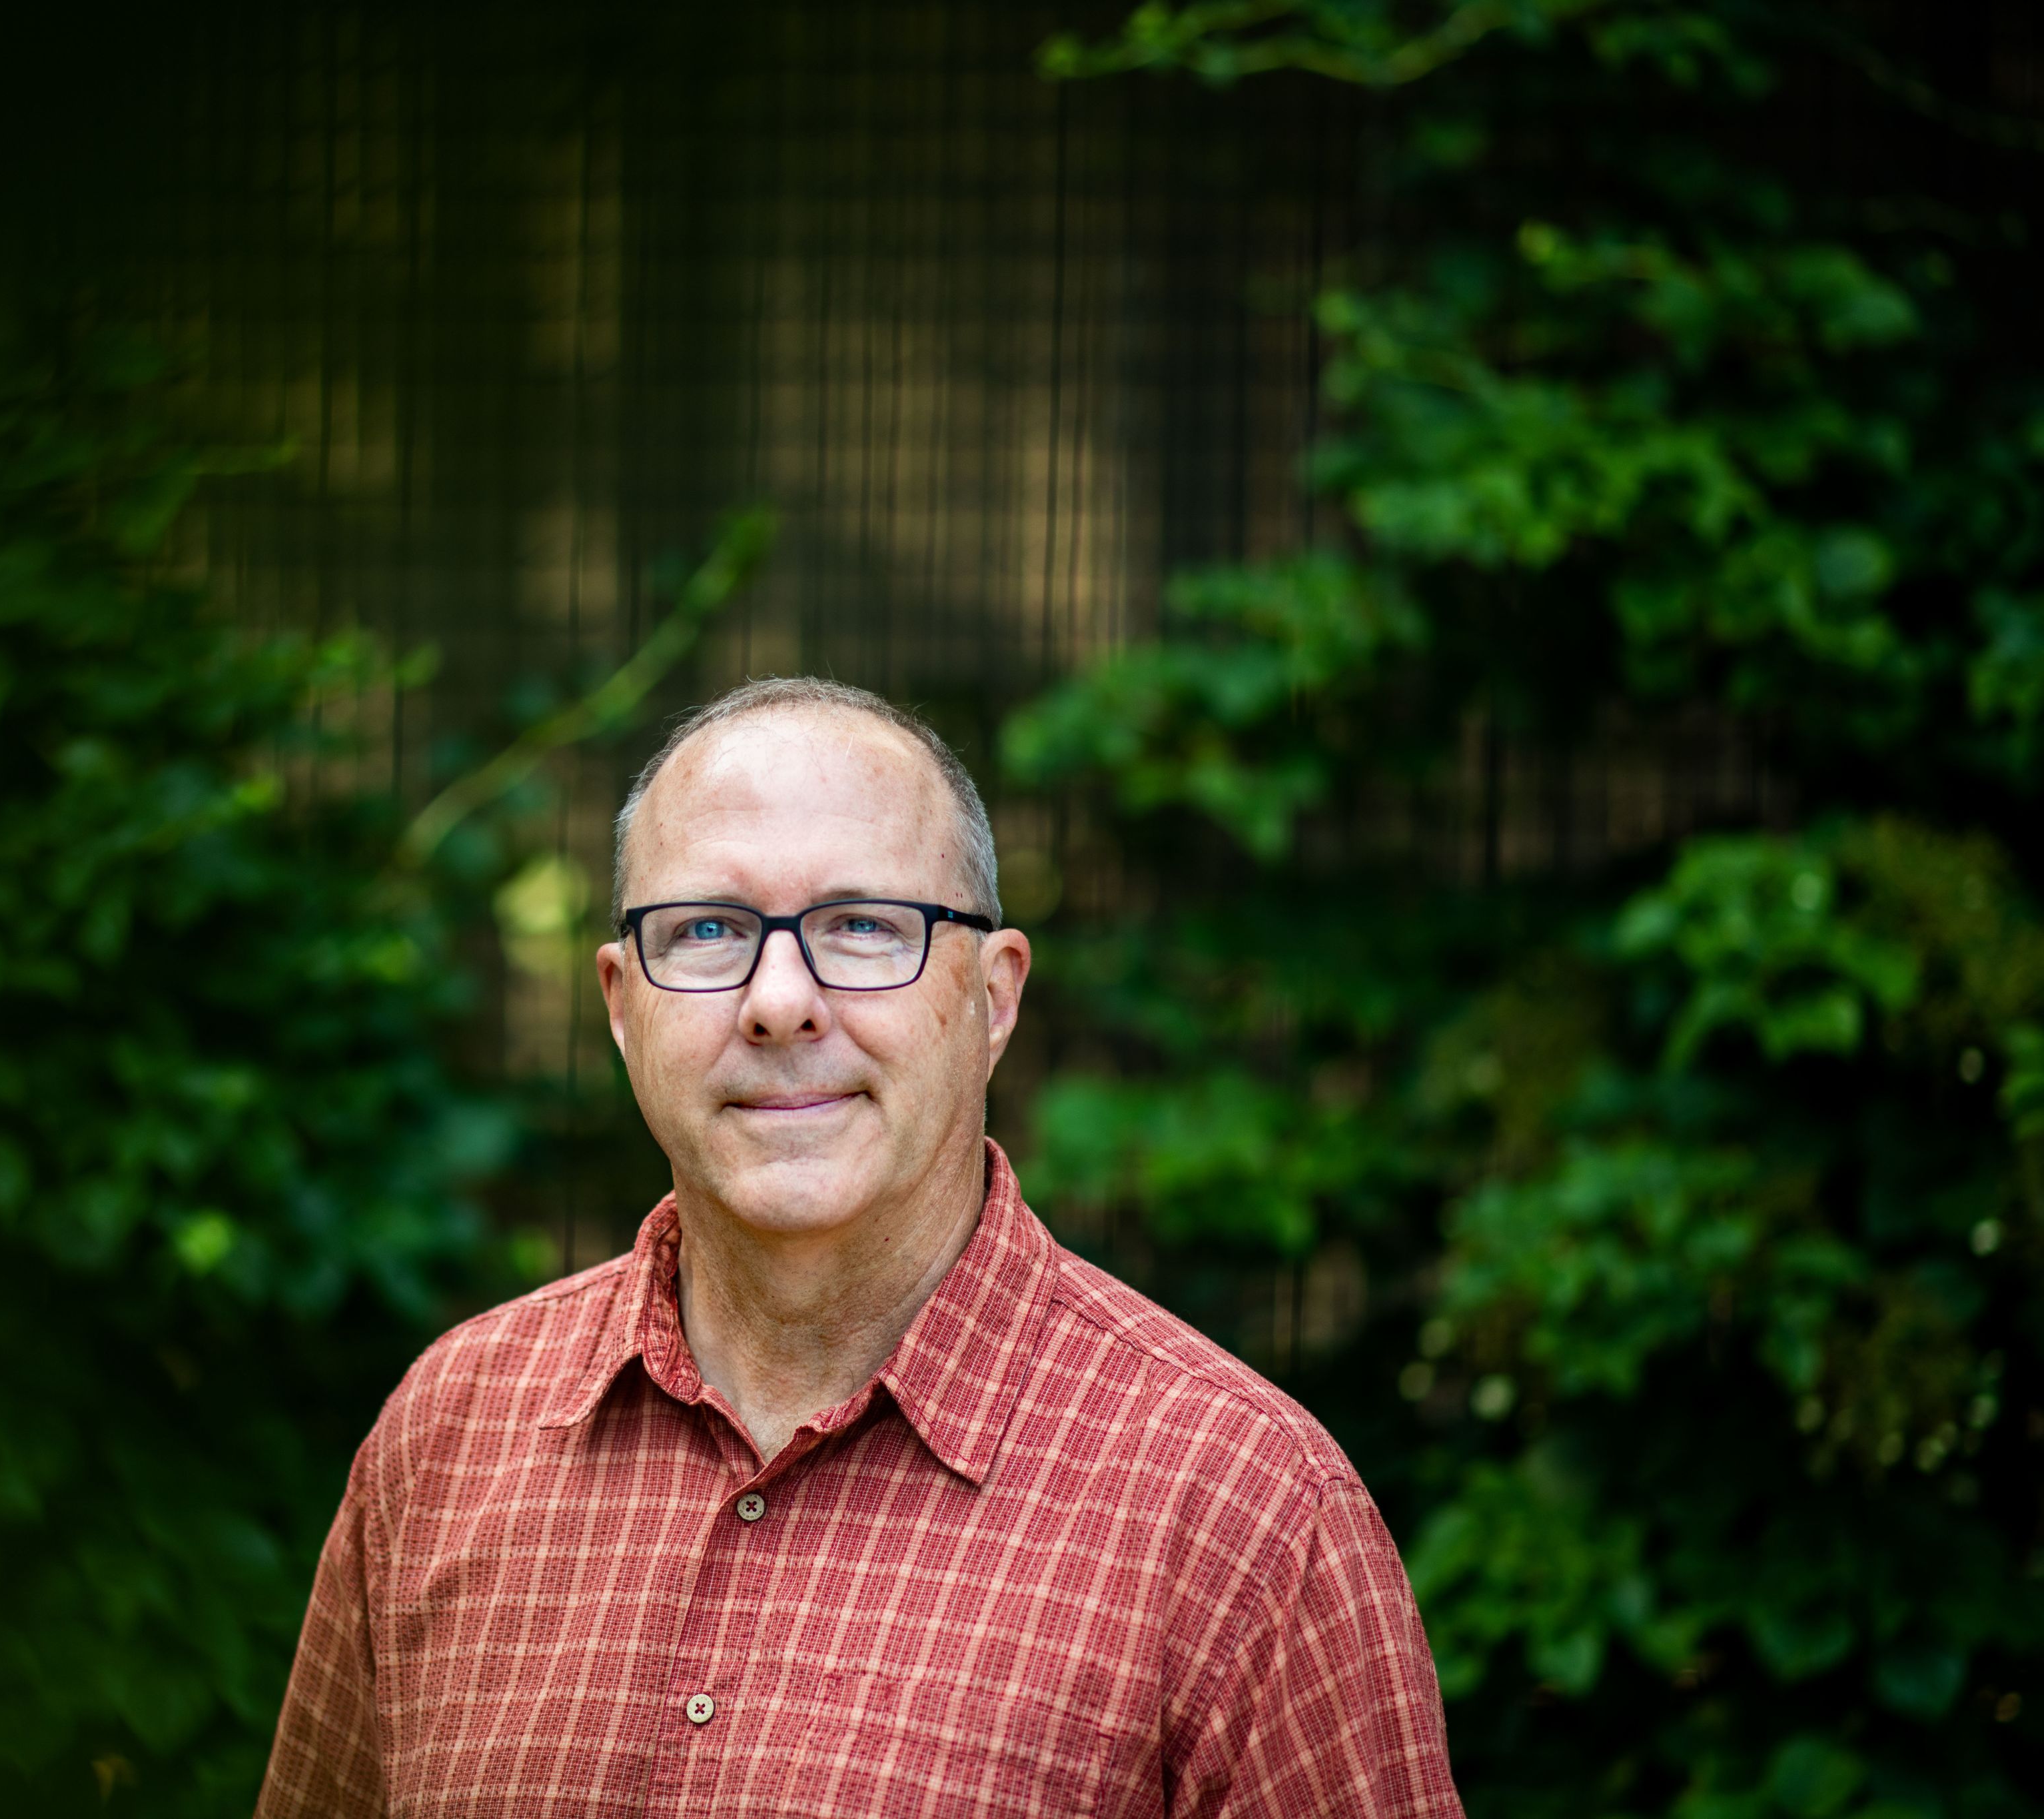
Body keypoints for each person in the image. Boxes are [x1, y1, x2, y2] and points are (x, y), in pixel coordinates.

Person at [257, 677, 1462, 1818]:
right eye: (710, 929)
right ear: (624, 1007)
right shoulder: (448, 1435)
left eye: (865, 924)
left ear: (993, 998)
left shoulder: (1246, 1515)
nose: (780, 999)